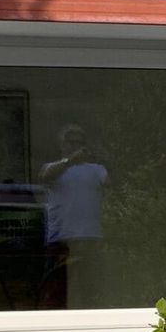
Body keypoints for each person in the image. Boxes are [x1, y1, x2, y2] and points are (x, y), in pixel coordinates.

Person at [39, 124, 110, 309]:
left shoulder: (97, 169)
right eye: (71, 142)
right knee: (56, 292)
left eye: (80, 143)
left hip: (90, 238)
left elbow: (113, 185)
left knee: (90, 292)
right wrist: (69, 161)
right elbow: (44, 176)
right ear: (62, 144)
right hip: (60, 238)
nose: (76, 146)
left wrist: (104, 155)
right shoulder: (54, 168)